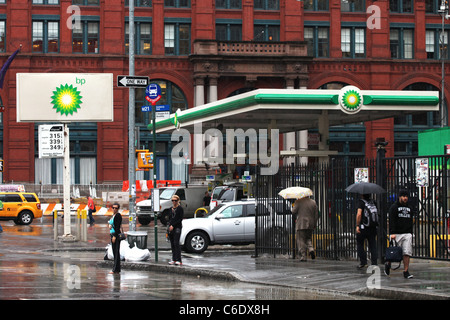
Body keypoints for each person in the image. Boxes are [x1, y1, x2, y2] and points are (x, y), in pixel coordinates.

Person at [385, 190, 414, 279]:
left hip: (407, 233)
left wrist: (410, 233)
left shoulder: (410, 208)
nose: (405, 198)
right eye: (403, 196)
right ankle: (388, 264)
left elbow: (411, 220)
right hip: (396, 233)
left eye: (406, 196)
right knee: (394, 252)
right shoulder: (394, 207)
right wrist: (392, 233)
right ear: (399, 197)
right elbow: (392, 220)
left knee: (407, 252)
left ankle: (406, 271)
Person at [291, 196, 318, 261]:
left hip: (301, 224)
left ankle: (303, 256)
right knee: (308, 238)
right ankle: (311, 249)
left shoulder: (298, 201)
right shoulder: (313, 202)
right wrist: (314, 223)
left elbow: (293, 211)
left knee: (301, 239)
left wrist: (294, 204)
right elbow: (316, 214)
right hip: (310, 224)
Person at [356, 194, 378, 269]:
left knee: (360, 244)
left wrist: (357, 225)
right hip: (372, 227)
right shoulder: (373, 202)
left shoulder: (361, 202)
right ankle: (374, 263)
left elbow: (359, 214)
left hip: (363, 227)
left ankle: (363, 262)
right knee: (373, 245)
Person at [168, 195, 184, 266]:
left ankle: (179, 259)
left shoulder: (180, 208)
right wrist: (169, 225)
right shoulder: (170, 209)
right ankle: (174, 259)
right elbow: (169, 218)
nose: (174, 202)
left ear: (178, 201)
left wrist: (173, 225)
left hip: (177, 227)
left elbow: (180, 218)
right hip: (171, 227)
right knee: (172, 244)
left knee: (176, 243)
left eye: (175, 200)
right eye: (173, 200)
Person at [109, 203, 122, 274]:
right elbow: (112, 224)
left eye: (116, 208)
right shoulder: (113, 216)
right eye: (113, 208)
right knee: (114, 252)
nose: (114, 209)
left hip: (115, 235)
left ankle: (115, 269)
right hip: (112, 234)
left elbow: (117, 227)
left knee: (116, 252)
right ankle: (117, 269)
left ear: (118, 209)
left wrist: (114, 236)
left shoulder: (118, 216)